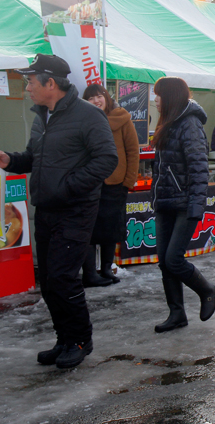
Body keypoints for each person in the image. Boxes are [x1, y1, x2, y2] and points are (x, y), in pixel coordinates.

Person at [0, 53, 118, 369]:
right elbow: (35, 158)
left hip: (75, 210)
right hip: (45, 208)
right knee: (48, 279)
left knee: (63, 277)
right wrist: (11, 161)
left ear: (50, 83)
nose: (27, 87)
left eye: (31, 81)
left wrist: (69, 185)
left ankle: (81, 340)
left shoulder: (88, 116)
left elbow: (106, 160)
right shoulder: (42, 116)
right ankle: (64, 338)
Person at [151, 77, 215, 333]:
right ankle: (176, 313)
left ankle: (207, 290)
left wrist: (196, 207)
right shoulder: (168, 122)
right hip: (165, 203)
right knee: (164, 261)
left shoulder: (189, 123)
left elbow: (199, 170)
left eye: (158, 95)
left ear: (170, 96)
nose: (154, 99)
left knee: (174, 260)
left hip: (184, 204)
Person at [81, 84, 140, 287]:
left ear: (106, 97)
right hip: (90, 183)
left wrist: (128, 182)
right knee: (88, 230)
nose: (96, 101)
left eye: (99, 97)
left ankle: (106, 269)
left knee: (111, 230)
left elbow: (133, 152)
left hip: (116, 184)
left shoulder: (122, 119)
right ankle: (89, 273)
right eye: (91, 98)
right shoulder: (83, 120)